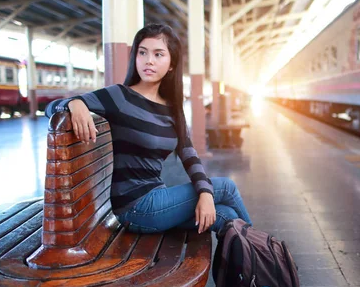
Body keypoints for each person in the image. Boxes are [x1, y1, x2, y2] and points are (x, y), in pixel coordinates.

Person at [45, 23, 252, 235]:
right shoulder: (120, 97)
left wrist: (205, 193)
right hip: (135, 207)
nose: (149, 60)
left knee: (226, 215)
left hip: (158, 200)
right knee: (226, 188)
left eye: (158, 54)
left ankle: (247, 264)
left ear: (172, 64)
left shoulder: (172, 109)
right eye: (142, 53)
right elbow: (51, 107)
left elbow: (189, 156)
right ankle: (265, 259)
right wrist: (75, 103)